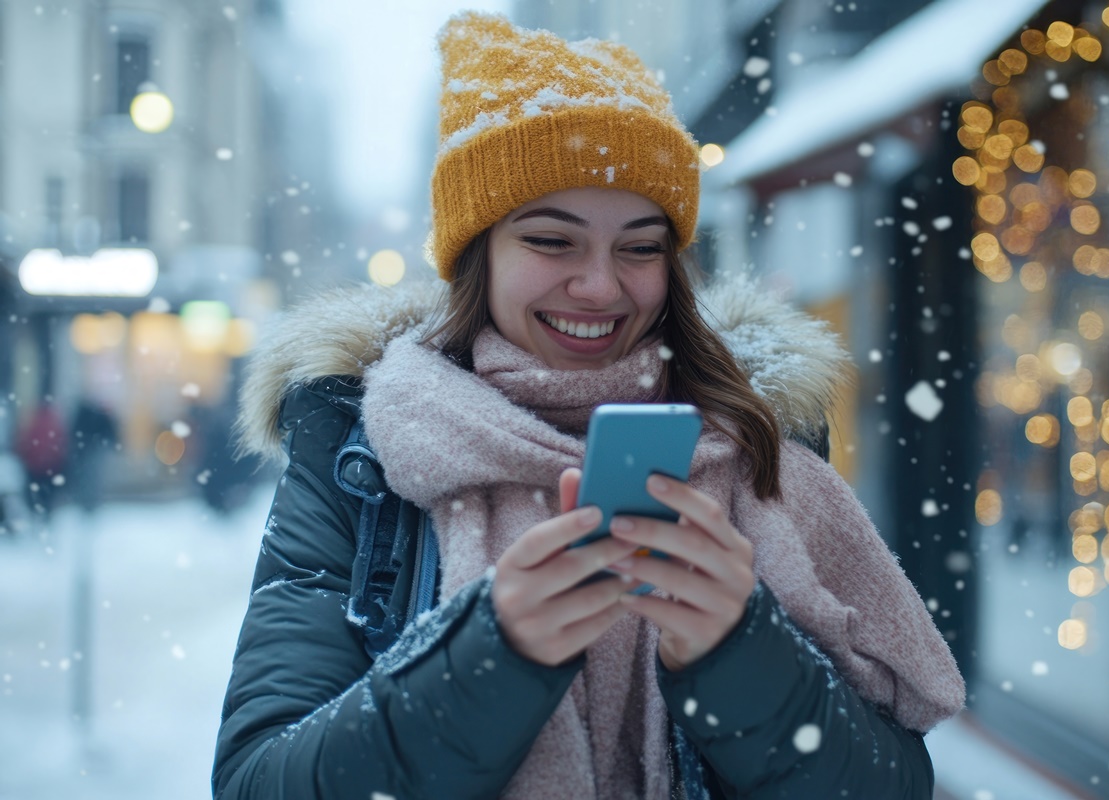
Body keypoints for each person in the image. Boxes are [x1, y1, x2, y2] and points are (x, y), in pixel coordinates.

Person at [213, 12, 964, 799]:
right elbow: (257, 782)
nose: (602, 287)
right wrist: (490, 656)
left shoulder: (758, 441)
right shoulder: (360, 453)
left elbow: (893, 782)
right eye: (551, 240)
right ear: (479, 253)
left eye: (640, 247)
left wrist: (734, 650)